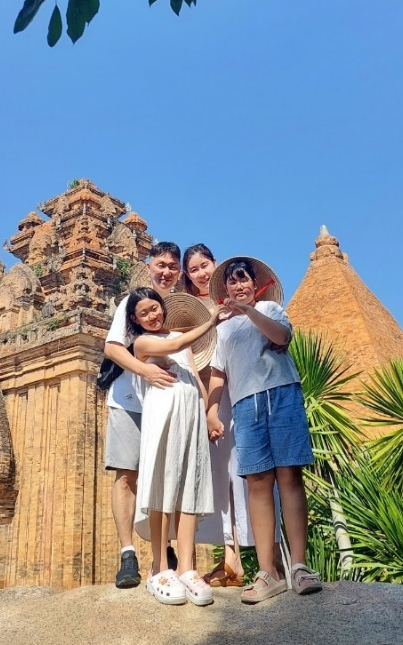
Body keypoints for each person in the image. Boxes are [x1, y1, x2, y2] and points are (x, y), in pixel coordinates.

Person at [206, 257, 323, 604]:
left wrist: (248, 309)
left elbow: (281, 337)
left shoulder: (270, 309)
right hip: (245, 403)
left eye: (244, 279)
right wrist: (211, 410)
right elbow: (218, 372)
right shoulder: (223, 330)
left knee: (289, 476)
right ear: (225, 288)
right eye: (232, 281)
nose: (238, 285)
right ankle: (267, 571)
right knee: (257, 483)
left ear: (255, 285)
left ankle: (298, 565)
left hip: (281, 393)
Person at [128, 288, 224, 605]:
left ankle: (186, 567)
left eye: (155, 308)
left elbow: (194, 374)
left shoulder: (180, 339)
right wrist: (210, 321)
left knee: (188, 487)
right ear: (135, 319)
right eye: (144, 313)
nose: (152, 316)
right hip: (163, 414)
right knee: (163, 485)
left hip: (190, 415)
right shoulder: (142, 343)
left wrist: (208, 414)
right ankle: (160, 568)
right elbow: (174, 346)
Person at [103, 242, 182, 588]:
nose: (166, 272)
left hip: (166, 401)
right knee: (126, 474)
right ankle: (127, 554)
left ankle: (163, 550)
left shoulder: (179, 307)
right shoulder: (132, 302)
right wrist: (144, 371)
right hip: (129, 401)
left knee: (165, 475)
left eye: (172, 267)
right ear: (148, 265)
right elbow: (111, 347)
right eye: (160, 264)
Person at [182, 243, 251, 587]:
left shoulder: (234, 302)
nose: (200, 273)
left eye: (204, 265)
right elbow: (188, 356)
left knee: (239, 472)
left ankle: (247, 558)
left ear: (215, 263)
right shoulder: (186, 310)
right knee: (215, 476)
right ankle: (229, 558)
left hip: (236, 391)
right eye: (193, 269)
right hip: (206, 396)